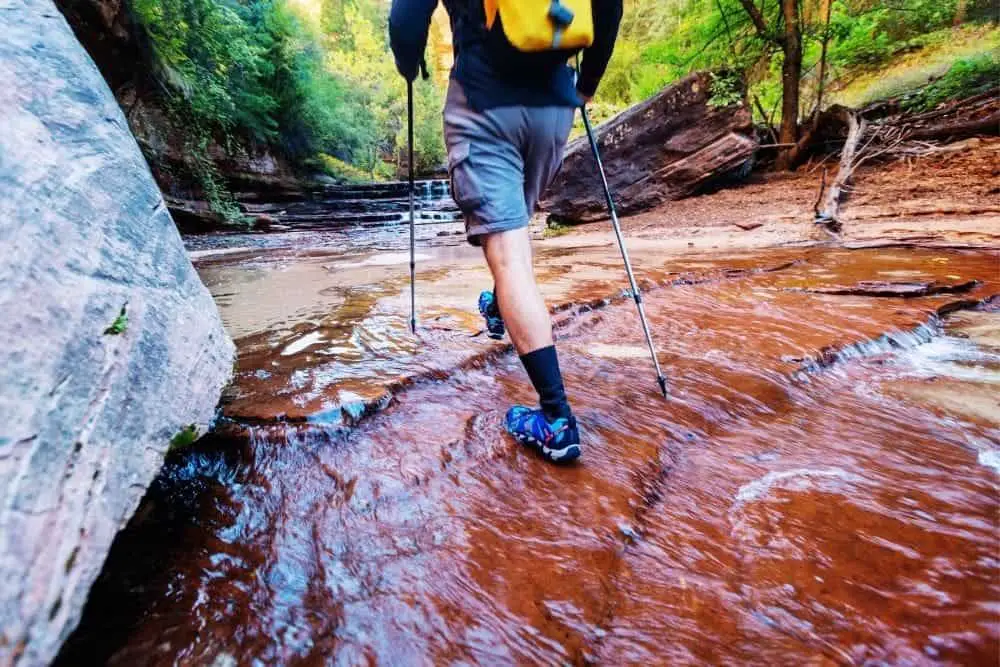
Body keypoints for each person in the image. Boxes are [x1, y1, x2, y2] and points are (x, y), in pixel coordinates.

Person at [389, 0, 623, 464]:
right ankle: (500, 304)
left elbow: (405, 20)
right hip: (553, 108)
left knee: (511, 256)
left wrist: (409, 62)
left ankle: (555, 419)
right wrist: (587, 84)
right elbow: (609, 8)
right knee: (514, 235)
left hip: (483, 101)